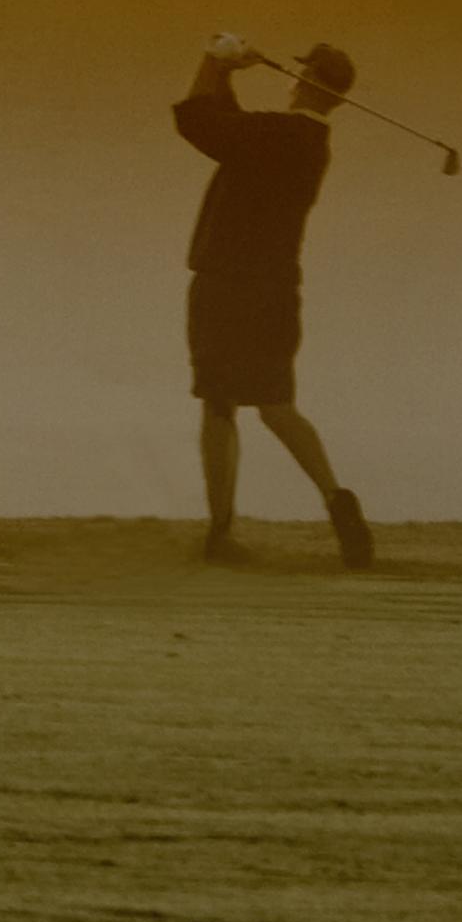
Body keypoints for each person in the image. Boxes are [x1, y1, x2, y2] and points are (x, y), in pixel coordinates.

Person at [171, 32, 373, 567]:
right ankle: (337, 499)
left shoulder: (282, 134)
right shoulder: (303, 140)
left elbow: (197, 121)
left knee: (218, 404)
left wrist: (213, 59)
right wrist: (228, 75)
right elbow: (228, 128)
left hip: (227, 285)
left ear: (305, 83)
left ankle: (220, 533)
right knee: (277, 406)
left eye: (301, 72)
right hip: (276, 288)